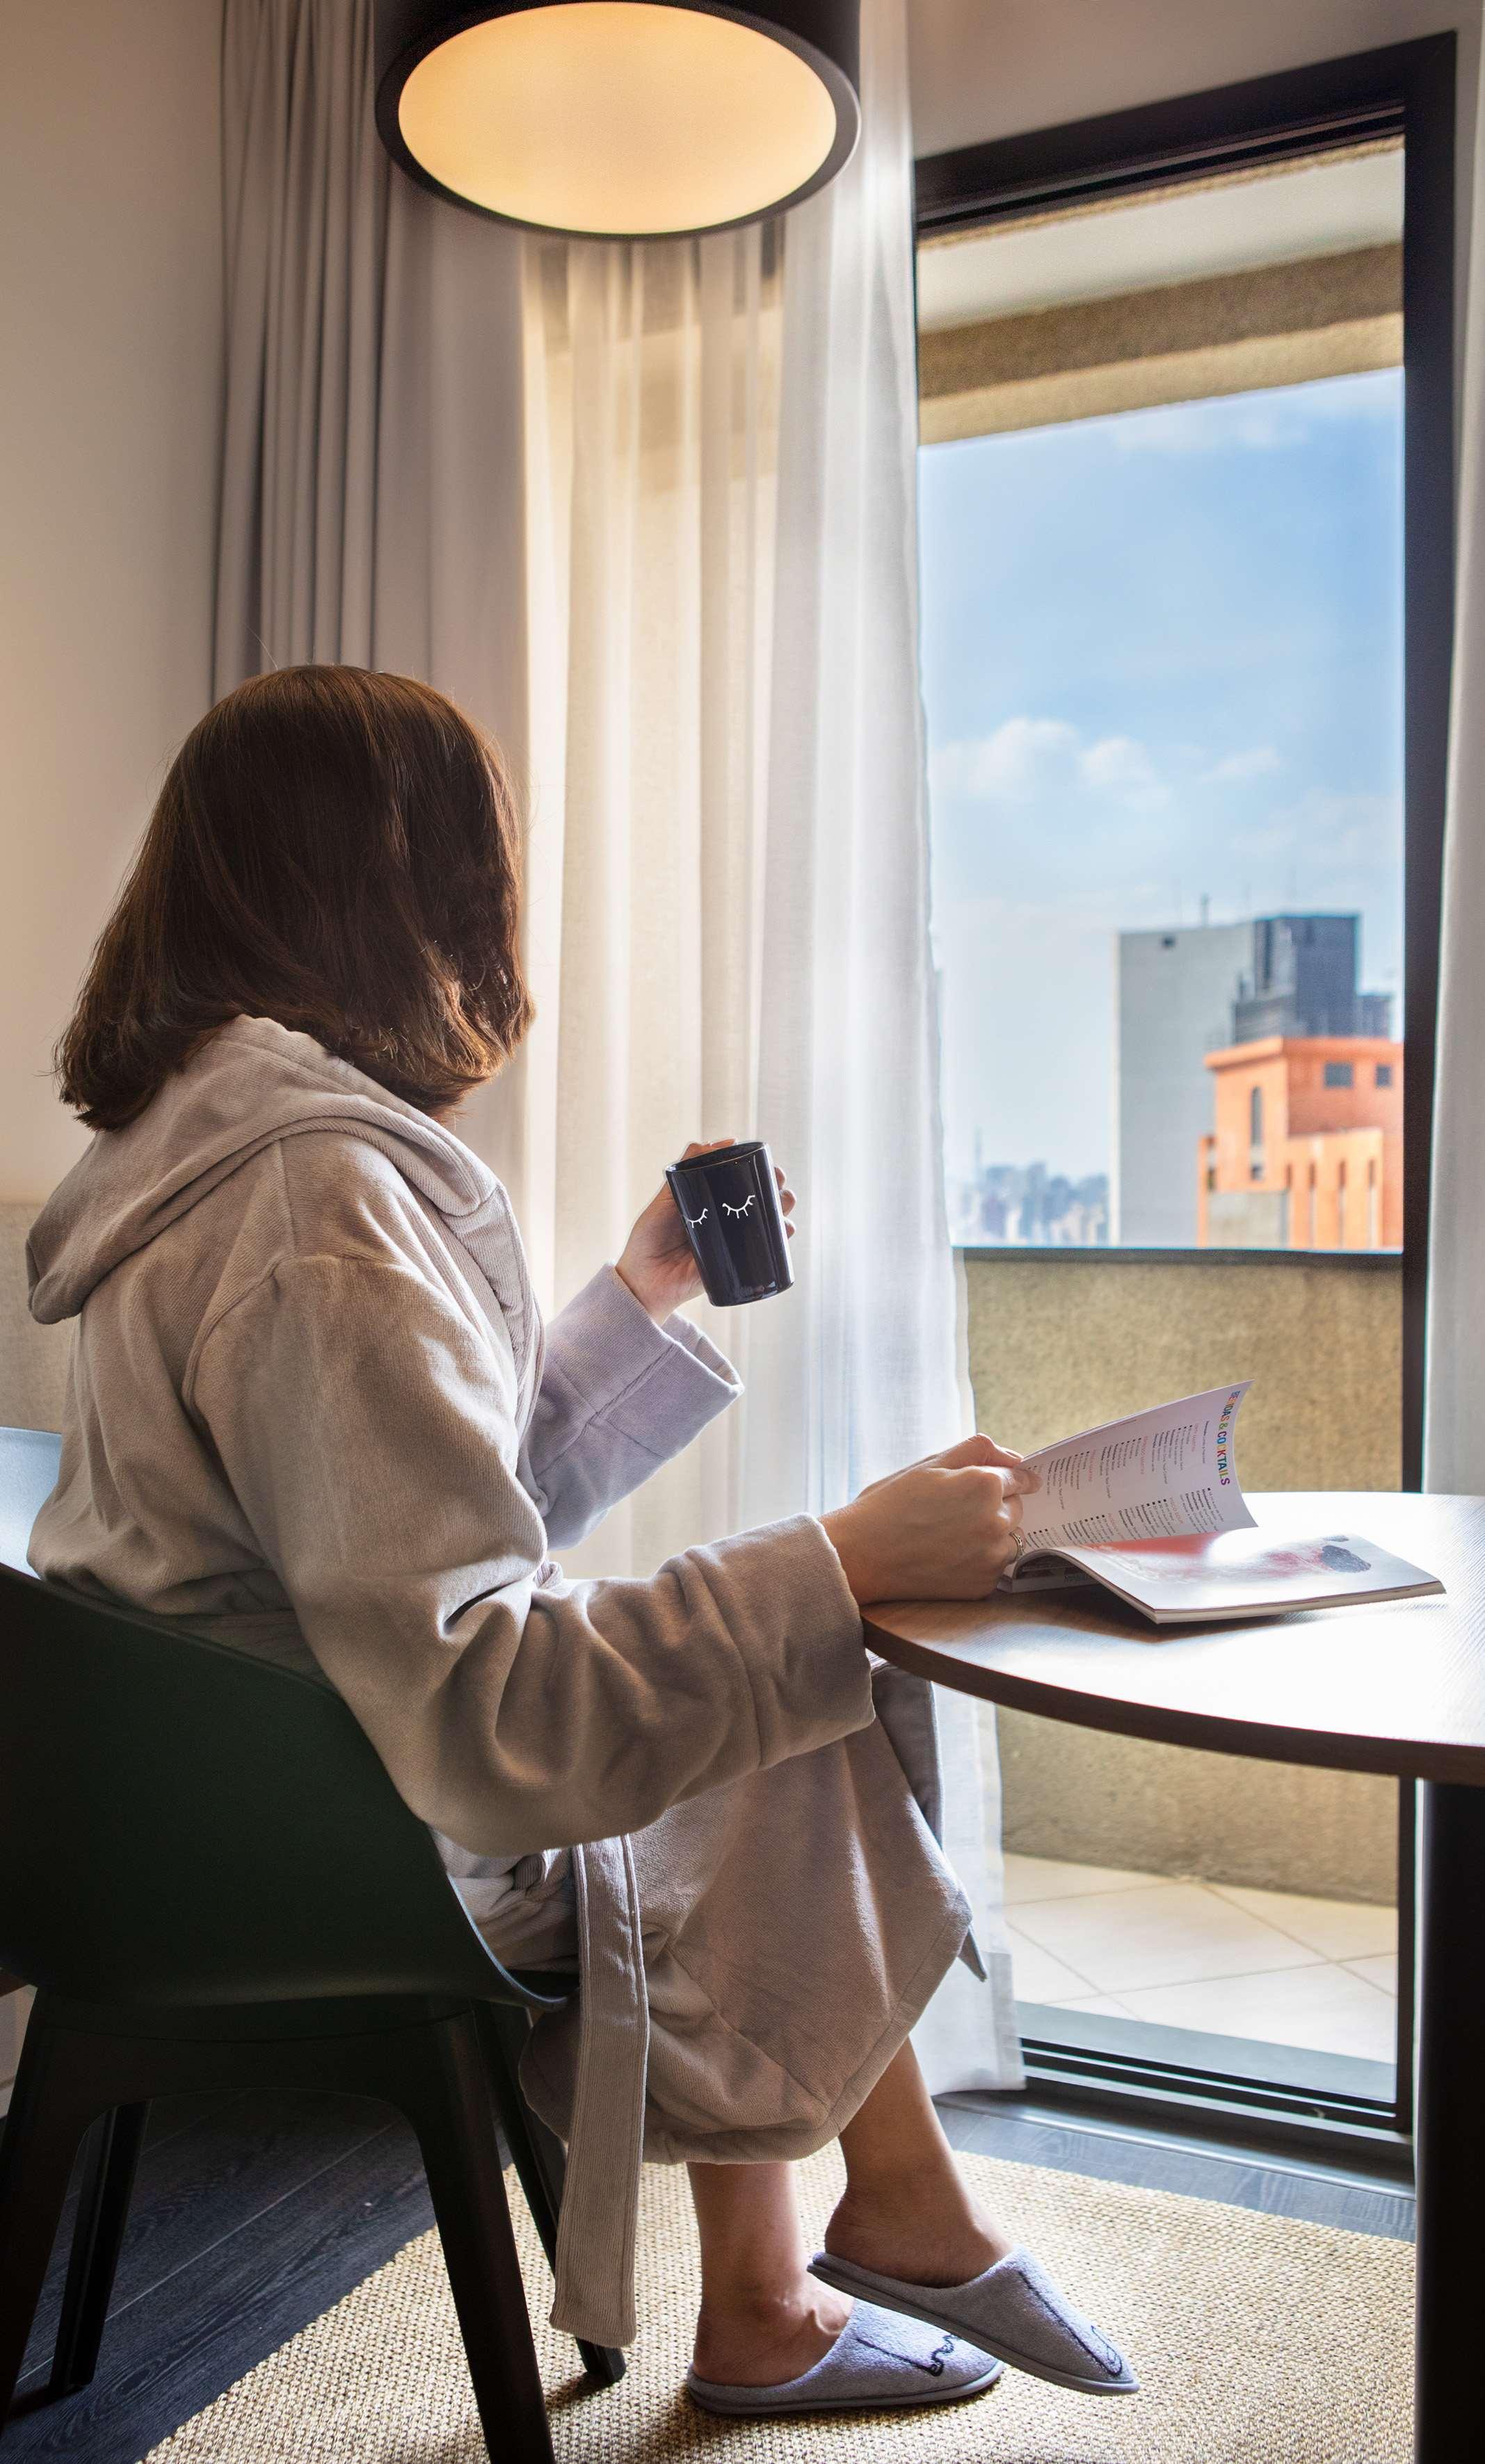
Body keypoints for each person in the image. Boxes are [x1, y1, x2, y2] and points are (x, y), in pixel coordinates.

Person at [26, 666, 1135, 2420]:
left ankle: (840, 2253)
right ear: (409, 886)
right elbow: (489, 1703)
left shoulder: (213, 1149)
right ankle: (846, 2251)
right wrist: (840, 1557)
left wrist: (642, 1293)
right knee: (786, 1667)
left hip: (214, 1801)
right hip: (329, 1835)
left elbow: (408, 1524)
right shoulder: (315, 1202)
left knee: (764, 1666)